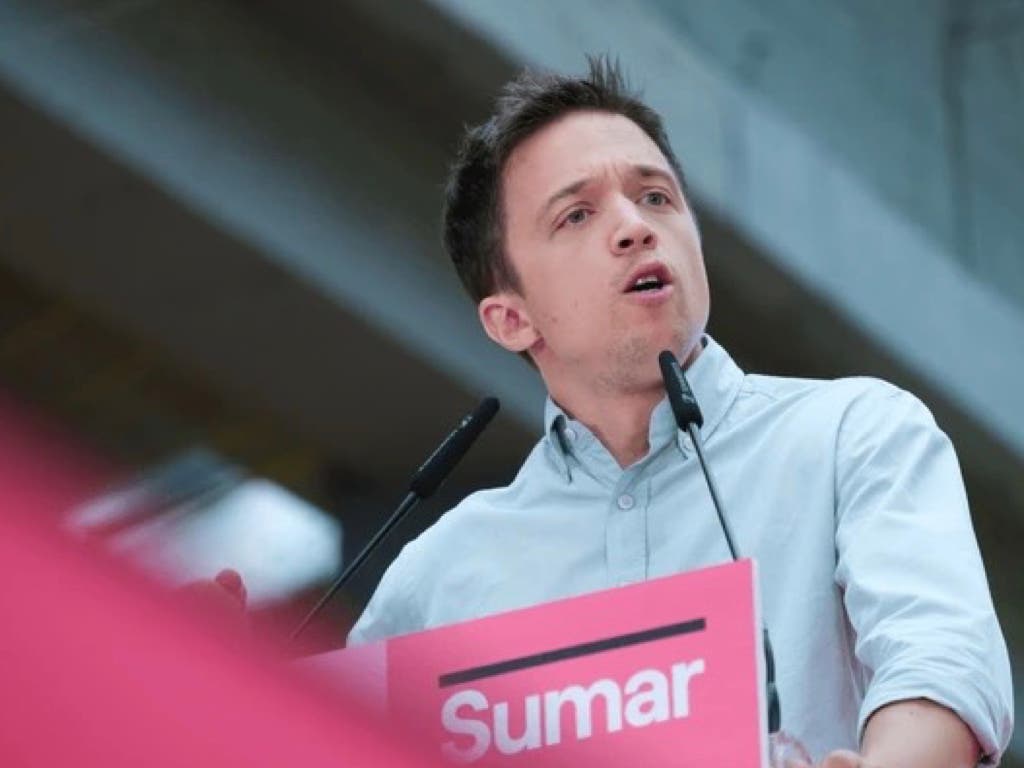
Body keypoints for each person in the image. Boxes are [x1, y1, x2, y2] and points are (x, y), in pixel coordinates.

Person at [347, 58, 1013, 765]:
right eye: (578, 214)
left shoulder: (850, 435)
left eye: (655, 197)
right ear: (511, 319)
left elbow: (942, 663)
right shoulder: (439, 581)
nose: (635, 227)